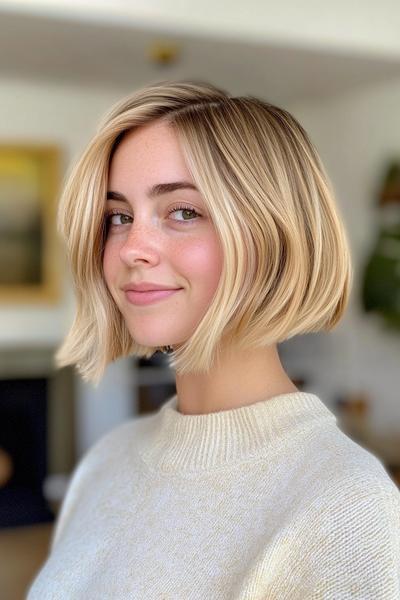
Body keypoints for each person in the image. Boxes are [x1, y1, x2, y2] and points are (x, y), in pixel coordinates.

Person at [27, 80, 400, 599]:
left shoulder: (345, 508)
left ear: (274, 232)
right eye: (119, 216)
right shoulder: (105, 462)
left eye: (183, 211)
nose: (133, 248)